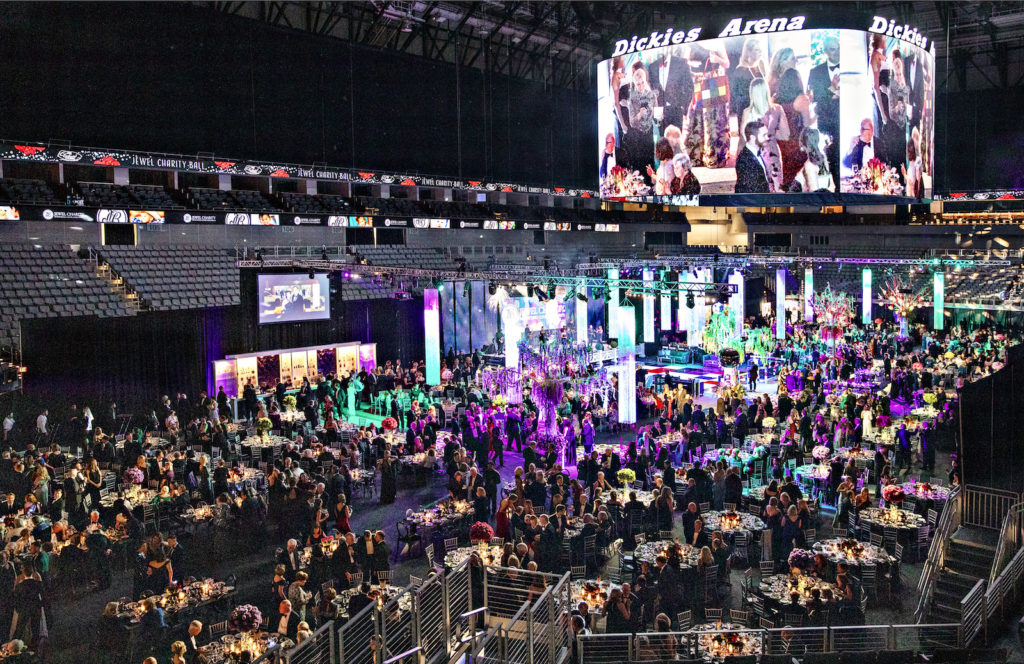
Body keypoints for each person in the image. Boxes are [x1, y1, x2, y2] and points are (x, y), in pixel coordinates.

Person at [685, 41, 731, 168]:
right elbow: (686, 61)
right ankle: (697, 156)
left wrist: (716, 59)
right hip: (698, 84)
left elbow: (727, 63)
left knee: (713, 121)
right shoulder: (692, 43)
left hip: (713, 85)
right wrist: (691, 63)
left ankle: (714, 155)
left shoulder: (717, 44)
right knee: (697, 118)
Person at [740, 78, 789, 192]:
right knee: (777, 186)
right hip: (773, 152)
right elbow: (785, 135)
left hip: (756, 153)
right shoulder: (777, 109)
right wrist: (771, 134)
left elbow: (744, 135)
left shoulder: (747, 112)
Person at [729, 37, 767, 121]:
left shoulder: (761, 67)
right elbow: (738, 98)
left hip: (762, 113)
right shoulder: (741, 71)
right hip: (749, 117)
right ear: (748, 52)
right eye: (757, 49)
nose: (760, 52)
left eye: (761, 49)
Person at [792, 128, 834, 192]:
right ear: (815, 143)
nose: (824, 136)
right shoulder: (810, 165)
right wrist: (830, 189)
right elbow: (815, 196)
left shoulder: (823, 158)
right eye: (820, 134)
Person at [734, 120, 770, 193]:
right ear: (753, 137)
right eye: (764, 135)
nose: (767, 138)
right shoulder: (744, 160)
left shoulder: (755, 152)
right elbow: (752, 190)